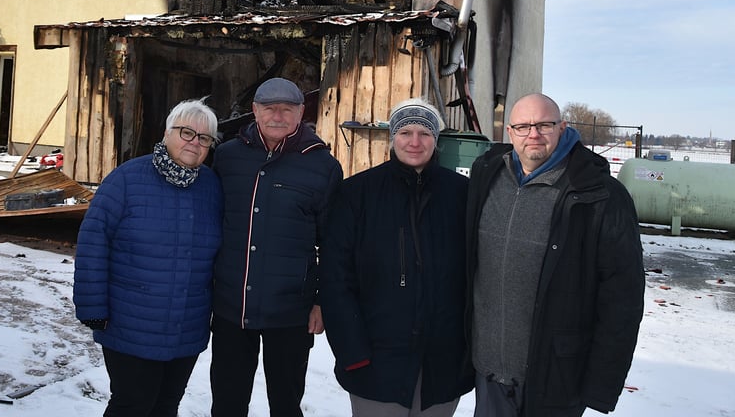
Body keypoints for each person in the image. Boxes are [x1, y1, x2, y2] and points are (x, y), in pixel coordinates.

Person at [465, 93, 645, 417]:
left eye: (544, 125)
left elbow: (623, 299)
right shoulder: (488, 175)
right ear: (510, 132)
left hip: (556, 378)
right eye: (523, 126)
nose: (533, 134)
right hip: (489, 374)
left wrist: (601, 384)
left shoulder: (600, 196)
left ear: (562, 128)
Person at [73, 97, 223, 417]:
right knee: (132, 404)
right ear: (167, 133)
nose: (194, 143)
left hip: (187, 325)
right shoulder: (126, 180)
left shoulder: (211, 187)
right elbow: (93, 242)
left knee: (166, 405)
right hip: (130, 323)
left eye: (204, 138)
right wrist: (92, 306)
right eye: (186, 132)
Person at [322, 97, 473, 417]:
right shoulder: (357, 193)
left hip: (441, 366)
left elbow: (477, 276)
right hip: (376, 364)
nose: (415, 142)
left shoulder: (463, 194)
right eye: (405, 132)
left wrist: (466, 353)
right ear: (393, 137)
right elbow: (336, 278)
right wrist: (353, 351)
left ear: (436, 139)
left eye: (425, 133)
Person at [210, 77, 343, 417]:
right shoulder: (226, 157)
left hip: (290, 310)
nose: (278, 116)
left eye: (288, 109)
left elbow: (334, 242)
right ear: (254, 111)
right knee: (227, 402)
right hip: (231, 304)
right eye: (269, 108)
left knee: (285, 404)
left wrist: (321, 301)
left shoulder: (323, 167)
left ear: (301, 113)